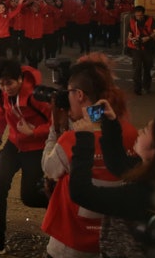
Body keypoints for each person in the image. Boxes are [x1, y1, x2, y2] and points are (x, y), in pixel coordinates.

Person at [42, 55, 137, 258]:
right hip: (110, 238)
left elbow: (49, 168)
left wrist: (54, 128)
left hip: (71, 241)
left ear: (79, 95)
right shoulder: (130, 133)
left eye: (69, 92)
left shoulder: (71, 139)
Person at [69, 104, 155, 257]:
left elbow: (81, 192)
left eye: (146, 130)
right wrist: (110, 122)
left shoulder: (142, 196)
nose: (140, 131)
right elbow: (118, 163)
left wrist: (84, 140)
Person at [0, 58, 52, 255]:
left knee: (30, 196)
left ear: (20, 79)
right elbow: (2, 113)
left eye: (9, 83)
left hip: (36, 148)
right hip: (13, 145)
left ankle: (60, 219)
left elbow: (57, 124)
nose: (5, 88)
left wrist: (34, 132)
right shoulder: (0, 92)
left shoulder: (37, 96)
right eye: (1, 83)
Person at [126, 5, 155, 95]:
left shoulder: (150, 20)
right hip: (136, 48)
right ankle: (137, 88)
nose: (138, 17)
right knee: (137, 68)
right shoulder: (132, 20)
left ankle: (146, 86)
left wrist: (148, 38)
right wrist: (131, 38)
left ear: (143, 14)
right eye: (137, 15)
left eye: (140, 16)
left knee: (147, 68)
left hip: (148, 47)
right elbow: (129, 33)